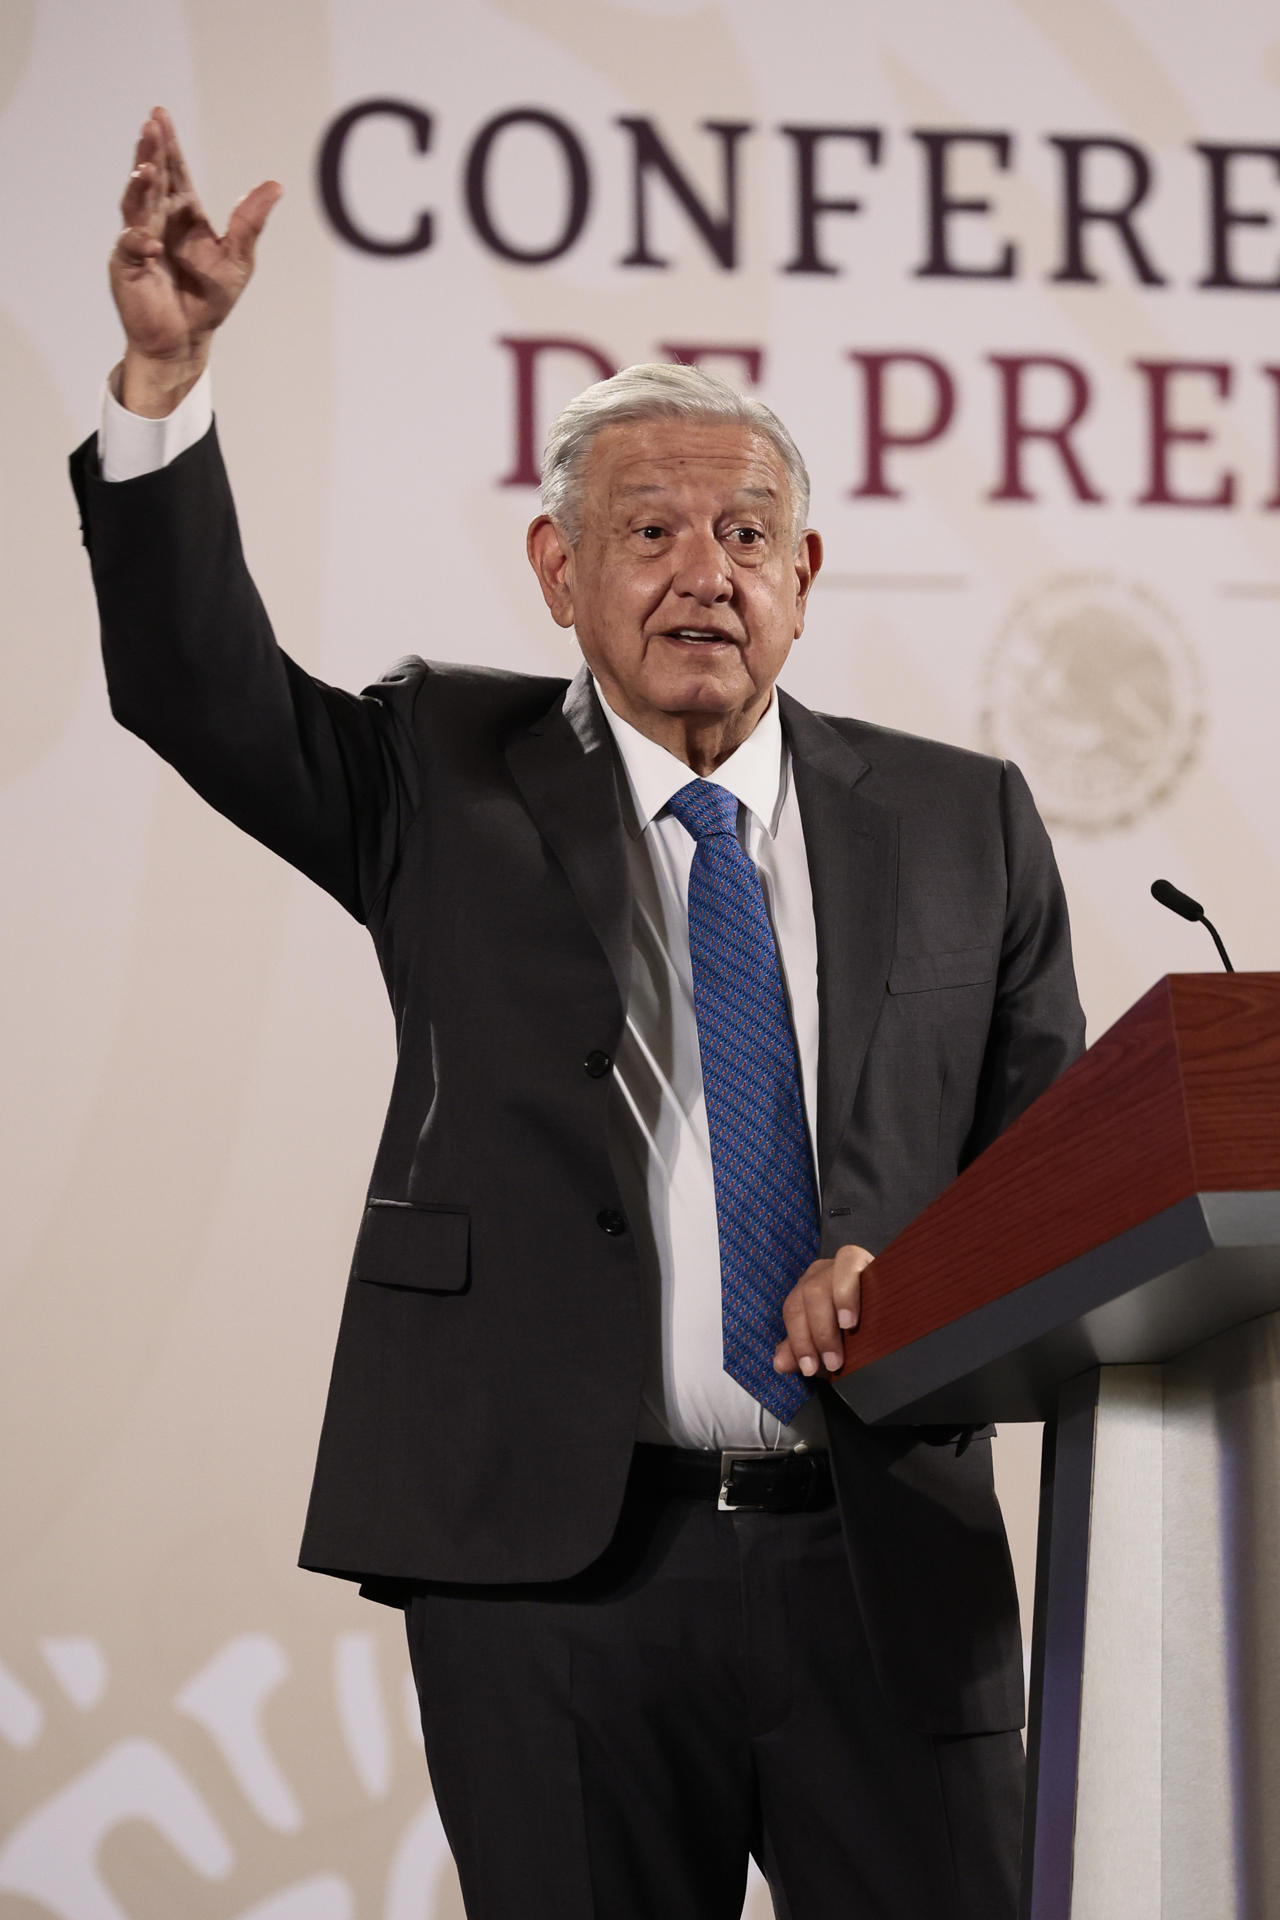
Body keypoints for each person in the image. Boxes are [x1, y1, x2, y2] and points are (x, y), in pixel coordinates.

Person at [72, 108, 1085, 1920]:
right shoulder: (435, 769)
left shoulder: (965, 821)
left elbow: (1051, 1177)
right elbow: (193, 683)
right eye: (653, 530)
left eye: (750, 531)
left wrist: (915, 1277)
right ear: (561, 576)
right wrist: (166, 374)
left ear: (806, 574)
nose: (708, 569)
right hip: (553, 1583)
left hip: (890, 1568)